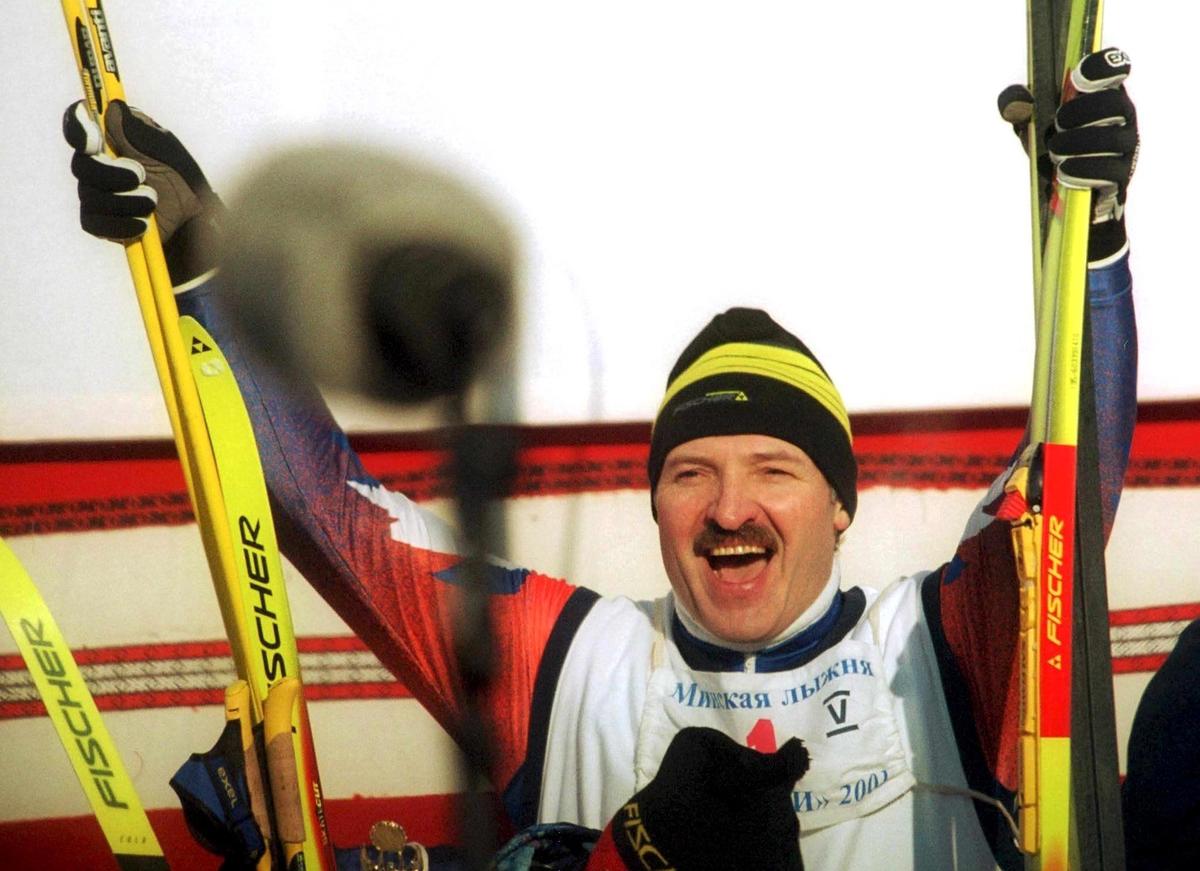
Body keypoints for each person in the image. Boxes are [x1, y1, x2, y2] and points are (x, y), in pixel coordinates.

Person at [61, 47, 1139, 870]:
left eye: (774, 467)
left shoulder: (940, 646)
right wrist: (201, 258)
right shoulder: (573, 660)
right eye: (690, 472)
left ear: (841, 503)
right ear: (654, 501)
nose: (730, 508)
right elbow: (331, 514)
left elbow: (1062, 497)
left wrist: (1088, 244)